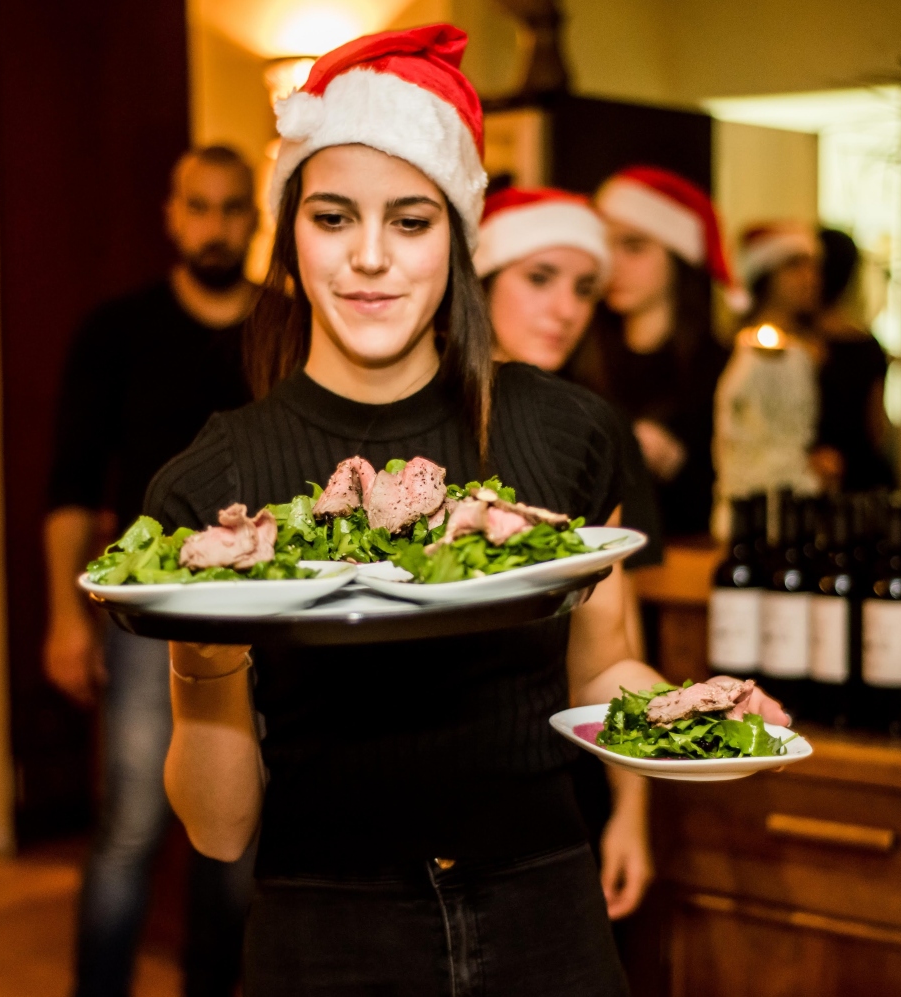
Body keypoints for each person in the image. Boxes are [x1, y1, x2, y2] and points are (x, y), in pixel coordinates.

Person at [144, 27, 788, 996]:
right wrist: (203, 644)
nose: (370, 259)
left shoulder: (566, 432)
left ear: (458, 236)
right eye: (331, 219)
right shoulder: (215, 480)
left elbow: (603, 663)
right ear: (288, 236)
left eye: (410, 222)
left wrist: (700, 722)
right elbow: (220, 825)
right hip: (327, 921)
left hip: (544, 907)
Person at [43, 145, 258, 997]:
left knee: (237, 836)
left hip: (264, 613)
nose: (215, 226)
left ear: (253, 218)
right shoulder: (116, 331)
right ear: (172, 216)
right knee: (130, 826)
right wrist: (66, 618)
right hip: (144, 617)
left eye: (232, 207)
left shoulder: (286, 325)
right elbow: (70, 482)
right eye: (198, 207)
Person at [474, 186, 660, 922]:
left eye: (585, 288)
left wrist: (634, 805)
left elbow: (613, 636)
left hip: (554, 779)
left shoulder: (588, 429)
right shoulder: (403, 415)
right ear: (481, 275)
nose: (566, 309)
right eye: (540, 277)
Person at [565, 166, 741, 539]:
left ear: (677, 257)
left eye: (633, 246)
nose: (612, 264)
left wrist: (678, 464)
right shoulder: (574, 351)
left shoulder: (721, 365)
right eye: (606, 245)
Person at [710, 222, 823, 530]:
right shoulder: (728, 353)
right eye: (794, 266)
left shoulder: (823, 350)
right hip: (749, 496)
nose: (809, 278)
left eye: (813, 267)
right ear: (765, 273)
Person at [812, 227, 895, 492]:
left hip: (819, 475)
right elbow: (877, 427)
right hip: (862, 471)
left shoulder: (798, 343)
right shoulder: (868, 346)